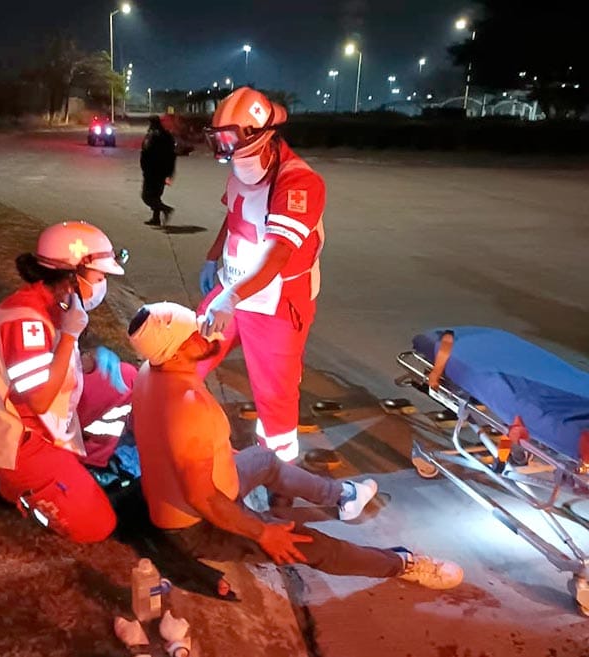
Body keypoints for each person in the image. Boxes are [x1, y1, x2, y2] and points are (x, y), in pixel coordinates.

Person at [127, 301, 464, 589]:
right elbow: (202, 498)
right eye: (196, 334)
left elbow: (175, 449)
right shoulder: (186, 406)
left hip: (211, 492)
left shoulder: (151, 373)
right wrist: (263, 532)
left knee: (262, 459)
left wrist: (220, 458)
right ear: (176, 350)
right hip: (199, 526)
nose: (208, 332)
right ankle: (403, 563)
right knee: (307, 543)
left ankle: (341, 497)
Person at [0, 221, 137, 543]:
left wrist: (84, 358)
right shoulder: (26, 321)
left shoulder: (51, 302)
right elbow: (40, 401)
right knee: (96, 526)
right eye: (100, 277)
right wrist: (70, 338)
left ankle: (85, 464)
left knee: (125, 379)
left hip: (40, 424)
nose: (104, 284)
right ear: (71, 276)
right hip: (22, 442)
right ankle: (19, 494)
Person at [198, 86, 327, 463]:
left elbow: (278, 253)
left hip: (277, 303)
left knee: (274, 396)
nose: (239, 162)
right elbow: (234, 214)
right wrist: (212, 259)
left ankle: (279, 473)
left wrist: (230, 296)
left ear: (267, 137)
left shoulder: (299, 182)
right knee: (189, 352)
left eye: (244, 152)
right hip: (233, 288)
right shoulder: (239, 163)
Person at [140, 115, 177, 227]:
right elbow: (172, 155)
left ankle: (166, 209)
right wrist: (170, 173)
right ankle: (156, 219)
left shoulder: (154, 136)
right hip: (161, 171)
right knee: (156, 195)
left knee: (147, 196)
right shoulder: (166, 135)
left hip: (153, 171)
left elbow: (147, 152)